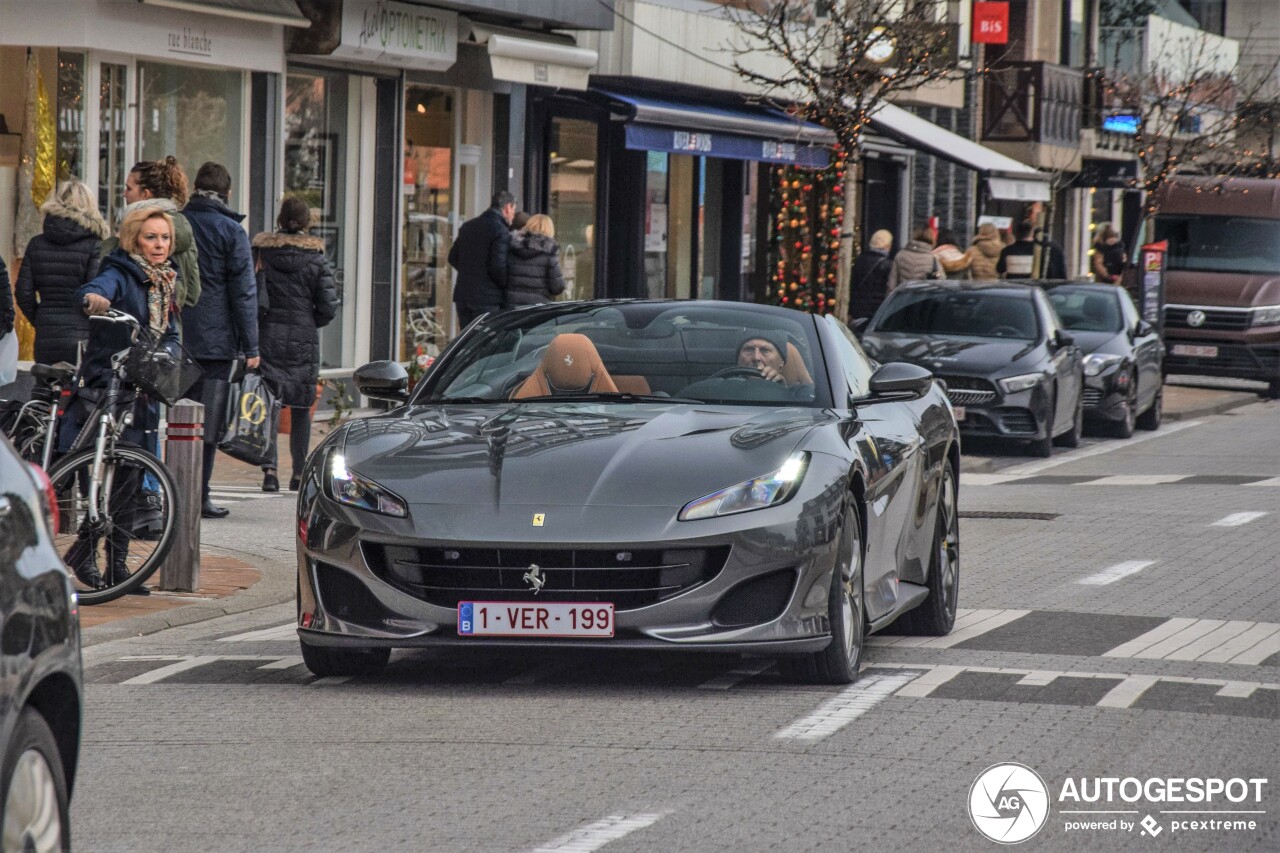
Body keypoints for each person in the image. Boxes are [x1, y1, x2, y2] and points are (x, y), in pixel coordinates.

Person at [64, 206, 181, 593]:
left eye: (164, 237)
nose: (159, 244)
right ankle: (86, 553)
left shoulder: (164, 282)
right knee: (103, 477)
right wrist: (94, 299)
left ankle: (117, 568)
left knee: (129, 479)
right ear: (134, 239)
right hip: (107, 386)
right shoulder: (122, 270)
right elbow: (95, 289)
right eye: (151, 237)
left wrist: (170, 355)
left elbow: (172, 332)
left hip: (142, 388)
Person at [182, 162, 260, 519]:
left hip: (177, 336)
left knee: (175, 420)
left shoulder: (177, 223)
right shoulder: (231, 231)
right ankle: (199, 495)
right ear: (227, 192)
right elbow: (244, 293)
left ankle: (169, 489)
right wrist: (252, 347)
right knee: (208, 424)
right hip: (216, 343)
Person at [252, 196, 338, 493]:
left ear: (280, 219)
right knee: (301, 406)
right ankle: (299, 473)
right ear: (306, 222)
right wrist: (310, 320)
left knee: (270, 404)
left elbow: (251, 294)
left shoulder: (263, 253)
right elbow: (328, 305)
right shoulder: (316, 259)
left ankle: (270, 471)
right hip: (304, 337)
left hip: (268, 335)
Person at [15, 181, 110, 365]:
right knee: (78, 390)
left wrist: (42, 319)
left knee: (44, 387)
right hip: (82, 333)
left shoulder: (36, 244)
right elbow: (95, 292)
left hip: (46, 333)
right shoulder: (95, 246)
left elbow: (23, 292)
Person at [102, 157, 201, 308]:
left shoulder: (137, 228)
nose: (124, 194)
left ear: (145, 194)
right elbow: (193, 293)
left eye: (129, 188)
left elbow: (102, 269)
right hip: (171, 326)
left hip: (132, 324)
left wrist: (116, 240)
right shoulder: (184, 227)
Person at [448, 191, 516, 326]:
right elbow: (498, 267)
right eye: (514, 210)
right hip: (488, 299)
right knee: (487, 342)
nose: (513, 215)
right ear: (508, 207)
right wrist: (507, 285)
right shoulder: (501, 230)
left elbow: (452, 257)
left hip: (463, 295)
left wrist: (469, 271)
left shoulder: (468, 226)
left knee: (468, 342)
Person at [505, 214, 566, 309]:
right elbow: (557, 287)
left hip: (512, 306)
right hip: (538, 308)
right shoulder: (549, 253)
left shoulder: (512, 248)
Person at [849, 229, 893, 322]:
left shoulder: (860, 260)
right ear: (887, 245)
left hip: (858, 309)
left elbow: (853, 284)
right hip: (877, 311)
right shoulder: (888, 265)